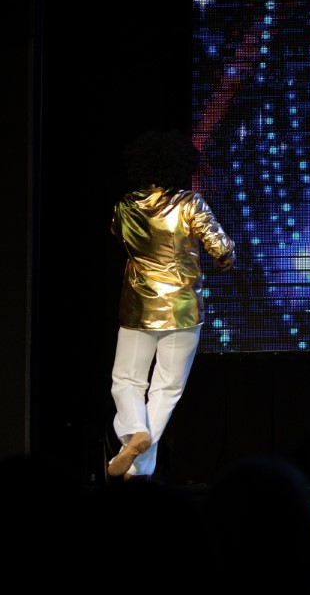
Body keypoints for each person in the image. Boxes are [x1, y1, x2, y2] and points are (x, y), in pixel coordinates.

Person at [107, 129, 236, 481]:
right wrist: (226, 259)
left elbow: (119, 237)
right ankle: (140, 464)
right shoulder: (190, 203)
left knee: (127, 380)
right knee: (167, 388)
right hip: (183, 307)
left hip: (138, 306)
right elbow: (220, 248)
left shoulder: (125, 205)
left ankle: (136, 435)